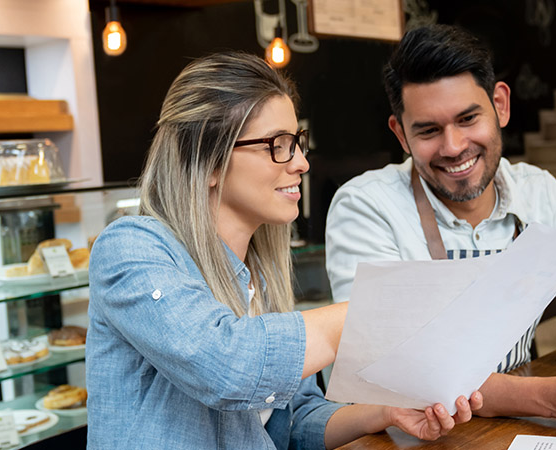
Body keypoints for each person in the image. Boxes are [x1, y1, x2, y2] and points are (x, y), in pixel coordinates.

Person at [87, 52, 481, 449]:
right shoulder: (131, 248)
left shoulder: (259, 272)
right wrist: (379, 308)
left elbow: (293, 423)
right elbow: (226, 366)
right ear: (206, 161)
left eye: (297, 142)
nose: (302, 163)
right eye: (278, 145)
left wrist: (387, 412)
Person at [324, 25, 556, 438]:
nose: (454, 146)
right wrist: (552, 399)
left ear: (500, 104)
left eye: (468, 118)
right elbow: (396, 369)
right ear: (400, 134)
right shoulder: (367, 206)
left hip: (507, 431)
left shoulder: (539, 193)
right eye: (428, 130)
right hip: (399, 439)